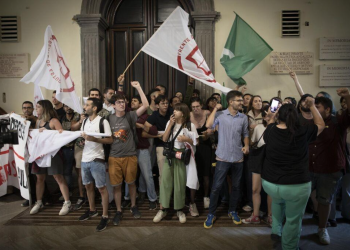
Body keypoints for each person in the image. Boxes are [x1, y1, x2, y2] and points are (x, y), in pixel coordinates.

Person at [261, 100, 325, 250]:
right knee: (293, 220)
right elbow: (321, 125)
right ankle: (289, 247)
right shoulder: (303, 131)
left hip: (270, 184)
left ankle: (276, 230)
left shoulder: (269, 130)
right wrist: (312, 106)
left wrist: (273, 115)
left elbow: (270, 122)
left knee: (277, 202)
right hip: (296, 186)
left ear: (279, 116)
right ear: (296, 117)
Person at [309, 89, 350, 245]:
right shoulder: (310, 123)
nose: (314, 110)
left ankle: (322, 229)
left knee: (325, 201)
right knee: (300, 199)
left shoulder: (338, 122)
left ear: (327, 109)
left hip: (329, 170)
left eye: (317, 107)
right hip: (309, 169)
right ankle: (295, 227)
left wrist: (347, 96)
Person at [204, 90, 249, 228]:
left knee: (236, 187)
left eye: (241, 100)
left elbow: (246, 134)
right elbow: (208, 125)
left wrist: (246, 145)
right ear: (230, 102)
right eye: (239, 100)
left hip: (237, 157)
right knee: (216, 187)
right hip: (222, 157)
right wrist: (215, 109)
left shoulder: (243, 117)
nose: (241, 102)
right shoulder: (220, 115)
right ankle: (211, 213)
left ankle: (233, 211)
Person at [108, 81, 149, 226]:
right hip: (114, 157)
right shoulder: (108, 118)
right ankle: (119, 210)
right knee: (117, 186)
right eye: (118, 102)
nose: (121, 104)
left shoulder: (131, 115)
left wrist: (138, 88)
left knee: (131, 183)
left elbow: (145, 106)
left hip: (130, 155)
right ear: (113, 105)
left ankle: (133, 206)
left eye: (123, 102)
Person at [153, 103, 198, 223]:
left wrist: (186, 139)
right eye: (174, 109)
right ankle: (163, 209)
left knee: (180, 183)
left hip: (182, 156)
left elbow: (196, 142)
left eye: (177, 110)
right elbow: (164, 139)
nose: (174, 111)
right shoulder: (170, 122)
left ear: (183, 113)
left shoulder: (190, 125)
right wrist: (171, 124)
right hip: (170, 154)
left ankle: (179, 209)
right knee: (165, 182)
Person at [30, 100, 71, 216]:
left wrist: (48, 132)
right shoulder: (38, 121)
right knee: (39, 178)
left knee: (58, 177)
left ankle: (67, 202)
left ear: (44, 108)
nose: (36, 109)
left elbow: (61, 136)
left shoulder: (54, 121)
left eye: (38, 107)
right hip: (40, 153)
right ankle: (39, 202)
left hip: (53, 154)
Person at [78, 97, 113, 232]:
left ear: (94, 108)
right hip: (85, 158)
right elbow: (83, 138)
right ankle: (92, 210)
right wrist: (83, 141)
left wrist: (95, 139)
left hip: (97, 159)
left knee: (101, 189)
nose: (84, 107)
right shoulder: (85, 121)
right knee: (87, 186)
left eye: (87, 105)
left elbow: (110, 140)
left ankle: (105, 215)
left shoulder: (103, 121)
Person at [242, 105, 272, 225]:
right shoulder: (259, 127)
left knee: (270, 190)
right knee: (255, 189)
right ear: (263, 117)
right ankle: (255, 215)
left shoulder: (278, 127)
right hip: (259, 159)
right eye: (266, 115)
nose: (268, 117)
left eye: (270, 115)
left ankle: (270, 215)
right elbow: (253, 142)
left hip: (271, 160)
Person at [128, 95, 158, 210]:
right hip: (129, 150)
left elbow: (154, 130)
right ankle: (131, 197)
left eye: (135, 100)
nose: (132, 102)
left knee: (147, 174)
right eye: (131, 100)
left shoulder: (147, 116)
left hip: (142, 149)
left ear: (141, 105)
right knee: (130, 176)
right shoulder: (128, 115)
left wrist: (141, 125)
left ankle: (152, 199)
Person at [242, 95, 263, 213]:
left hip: (263, 148)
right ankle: (250, 202)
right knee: (249, 178)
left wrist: (258, 126)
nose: (258, 103)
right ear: (252, 103)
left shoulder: (266, 115)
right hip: (250, 149)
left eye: (260, 101)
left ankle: (262, 206)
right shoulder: (246, 116)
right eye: (256, 101)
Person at [190, 97, 212, 210]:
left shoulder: (207, 113)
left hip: (206, 146)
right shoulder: (189, 115)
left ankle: (206, 196)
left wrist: (210, 132)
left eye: (197, 106)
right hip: (193, 147)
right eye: (193, 107)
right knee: (193, 173)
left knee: (206, 174)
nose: (195, 109)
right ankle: (193, 199)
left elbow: (213, 128)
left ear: (201, 105)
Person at [60, 104, 83, 205]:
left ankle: (82, 194)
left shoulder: (79, 116)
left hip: (79, 147)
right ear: (63, 108)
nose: (68, 108)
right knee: (67, 172)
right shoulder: (61, 118)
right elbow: (67, 130)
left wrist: (79, 121)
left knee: (80, 173)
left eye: (70, 106)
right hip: (66, 148)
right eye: (66, 106)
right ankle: (68, 192)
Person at [20, 101, 37, 207]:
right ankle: (29, 197)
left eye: (29, 107)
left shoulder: (35, 119)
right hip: (23, 151)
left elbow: (32, 121)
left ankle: (39, 197)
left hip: (34, 152)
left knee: (35, 176)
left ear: (33, 108)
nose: (26, 109)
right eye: (24, 108)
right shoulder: (21, 120)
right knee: (27, 176)